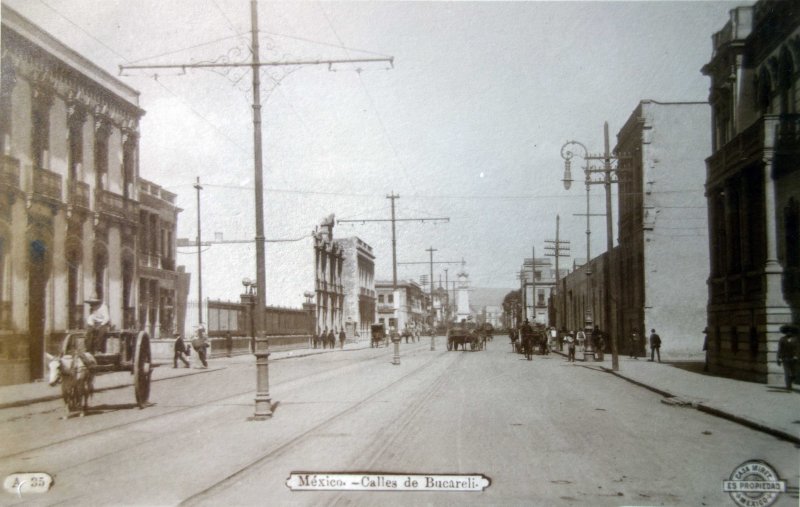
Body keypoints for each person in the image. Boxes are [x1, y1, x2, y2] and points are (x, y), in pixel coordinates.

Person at [777, 324, 799, 391]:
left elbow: (798, 348)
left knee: (794, 373)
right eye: (787, 331)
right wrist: (779, 358)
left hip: (794, 358)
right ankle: (788, 387)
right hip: (785, 358)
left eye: (790, 331)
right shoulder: (782, 339)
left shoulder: (796, 339)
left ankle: (791, 380)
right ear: (785, 332)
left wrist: (796, 356)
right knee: (787, 373)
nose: (789, 333)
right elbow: (780, 349)